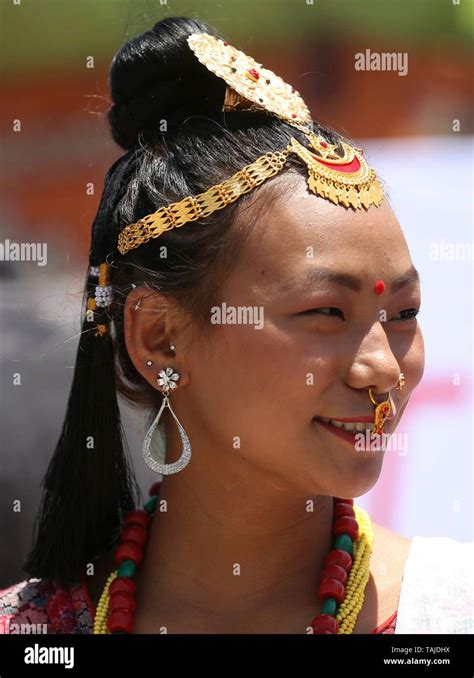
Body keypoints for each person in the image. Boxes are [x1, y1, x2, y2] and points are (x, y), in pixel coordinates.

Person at [1, 16, 472, 636]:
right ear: (159, 338)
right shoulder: (35, 632)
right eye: (326, 312)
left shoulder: (448, 614)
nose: (384, 369)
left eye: (404, 314)